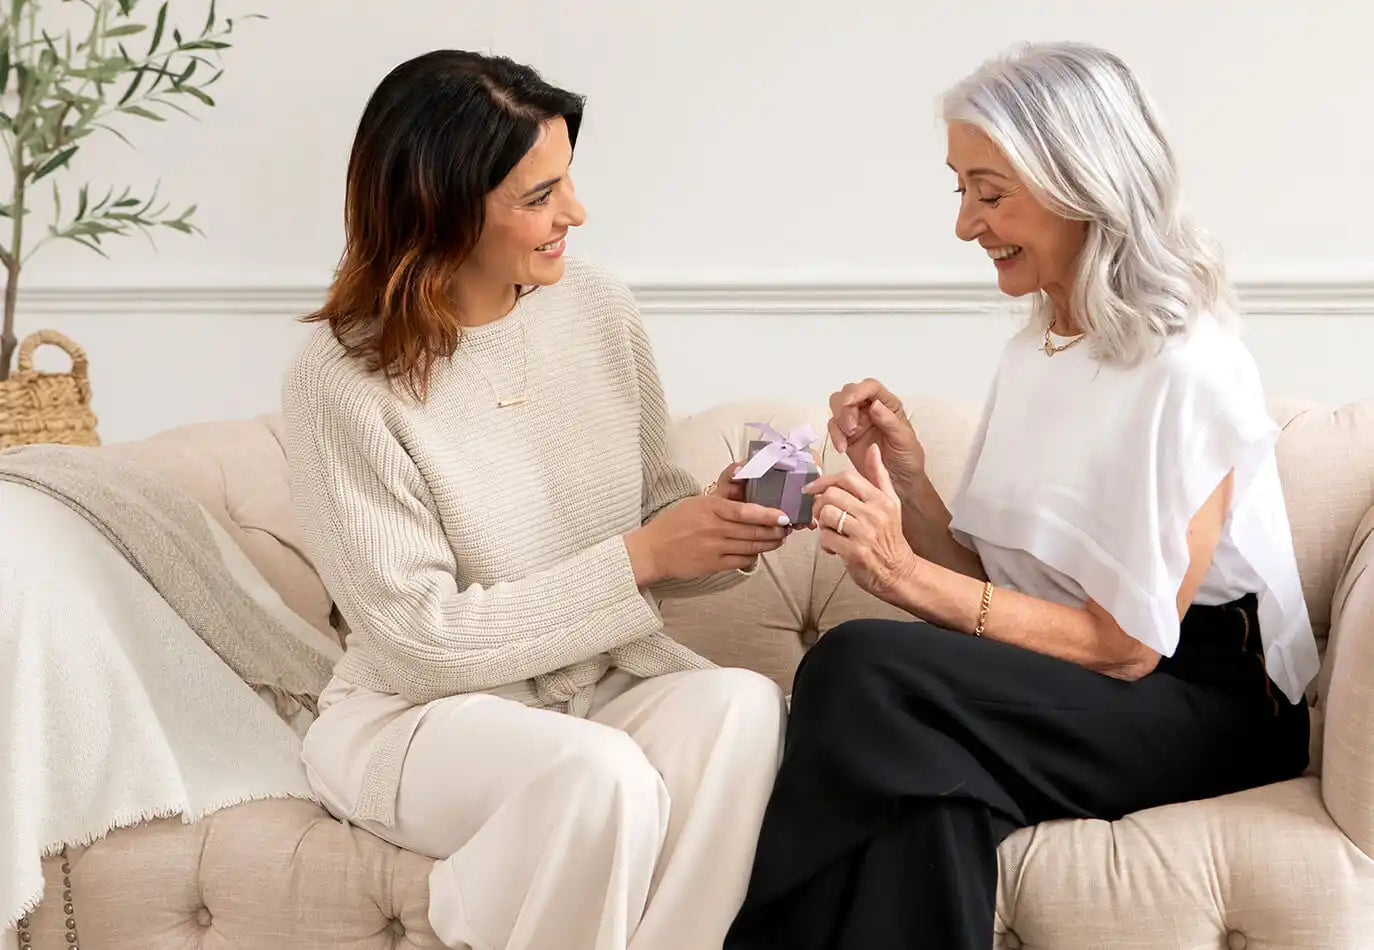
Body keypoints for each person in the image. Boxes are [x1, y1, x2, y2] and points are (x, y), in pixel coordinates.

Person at [725, 41, 1320, 950]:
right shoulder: (1039, 343)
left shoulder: (1189, 368)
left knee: (861, 670)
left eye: (990, 191)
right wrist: (915, 484)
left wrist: (904, 578)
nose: (966, 224)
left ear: (1084, 183)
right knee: (926, 790)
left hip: (1198, 698)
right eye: (960, 188)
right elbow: (1001, 585)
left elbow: (1124, 646)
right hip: (1068, 670)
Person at [281, 50, 791, 950]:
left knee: (742, 707)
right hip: (413, 717)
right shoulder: (343, 379)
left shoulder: (595, 307)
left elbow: (657, 534)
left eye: (569, 181)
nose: (574, 214)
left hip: (591, 694)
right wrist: (646, 556)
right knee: (603, 777)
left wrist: (724, 529)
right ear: (439, 208)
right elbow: (420, 642)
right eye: (537, 195)